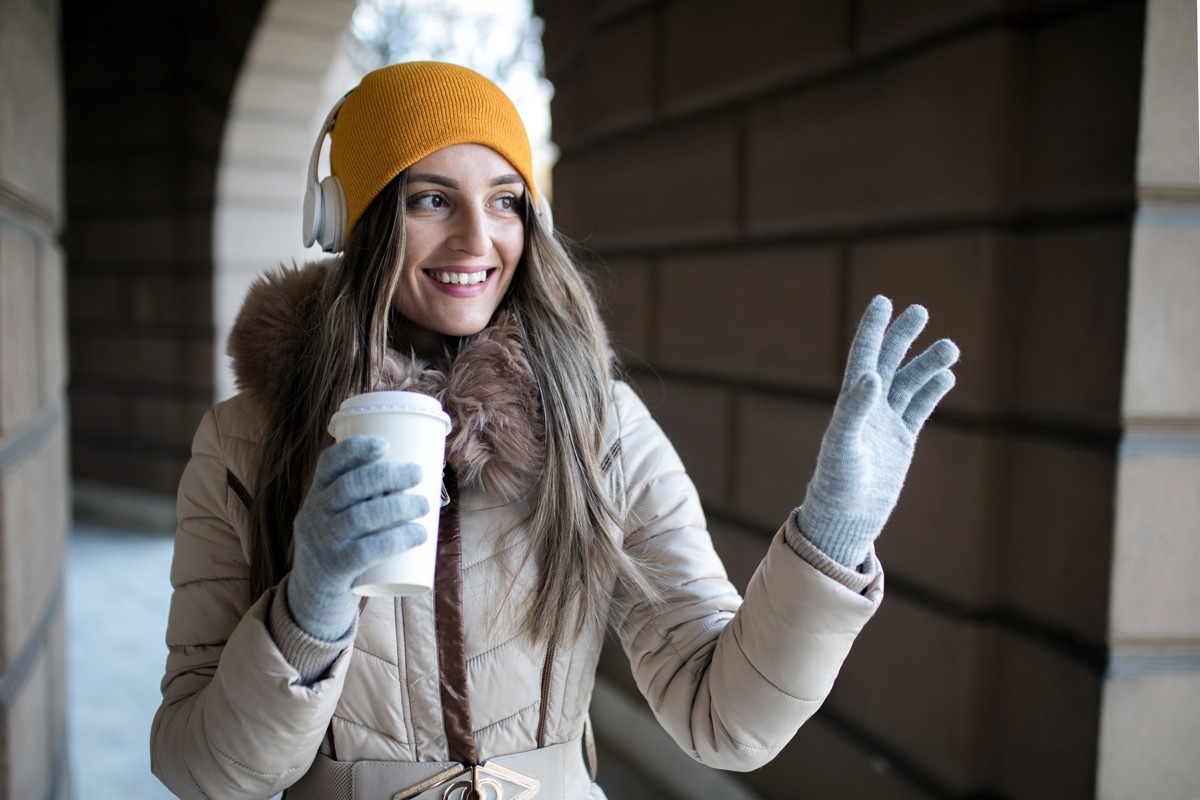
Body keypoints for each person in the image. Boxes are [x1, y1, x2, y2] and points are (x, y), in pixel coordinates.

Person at [150, 61, 959, 800]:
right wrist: (310, 606)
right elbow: (200, 769)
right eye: (430, 199)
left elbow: (724, 718)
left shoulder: (599, 427)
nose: (477, 239)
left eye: (505, 199)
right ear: (352, 222)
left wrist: (832, 533)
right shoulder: (242, 444)